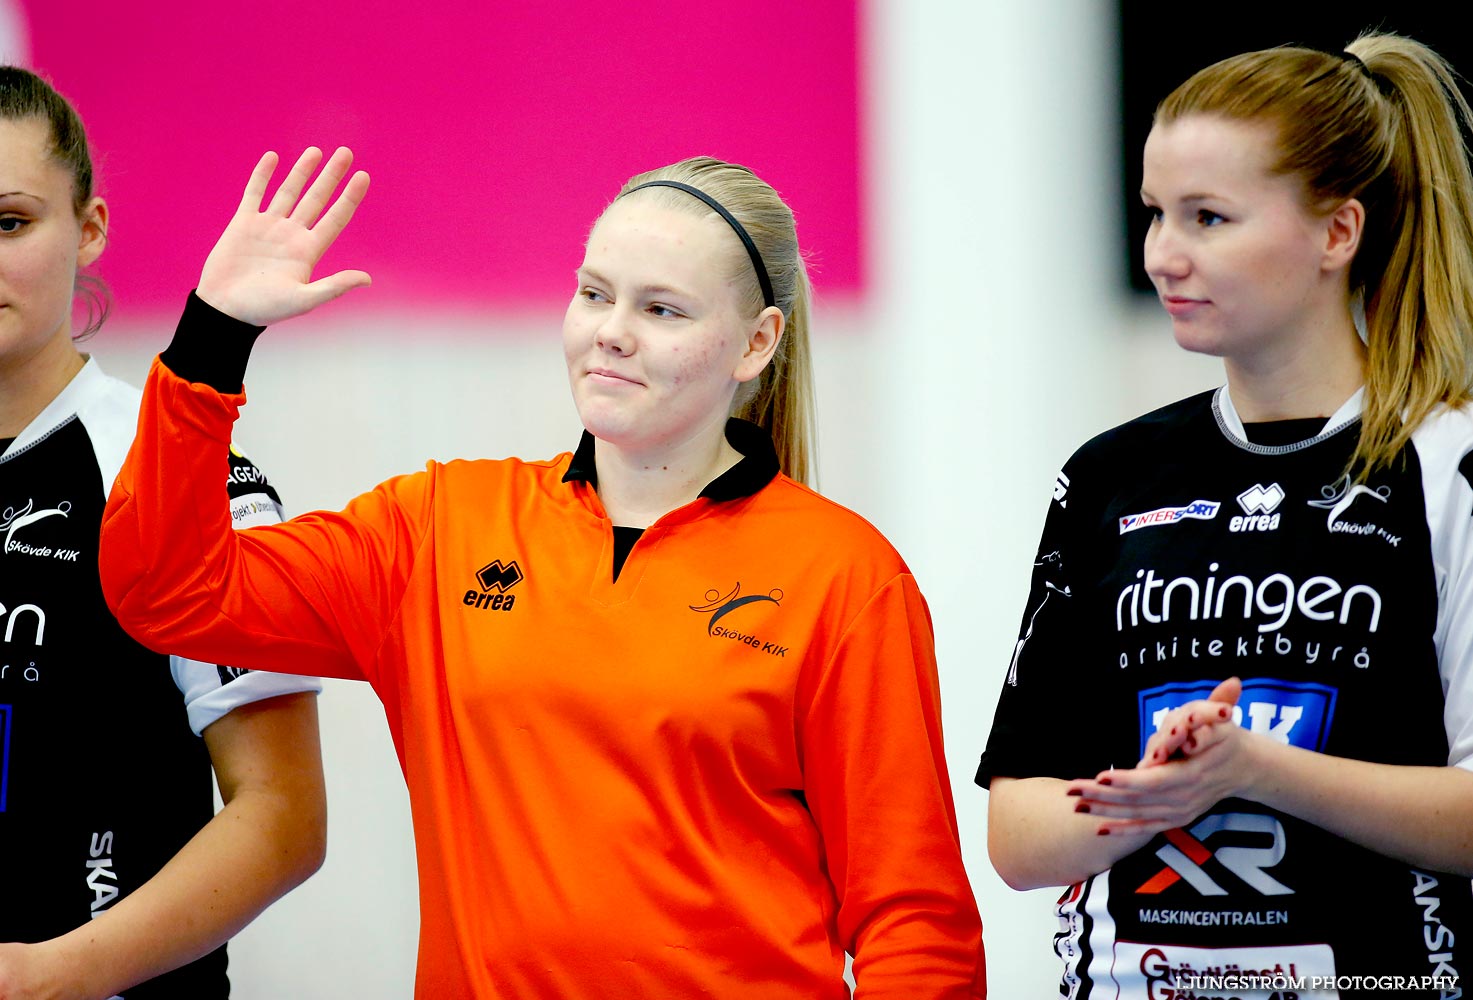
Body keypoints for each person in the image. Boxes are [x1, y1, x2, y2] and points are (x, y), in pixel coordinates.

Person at [96, 148, 986, 997]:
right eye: (594, 293)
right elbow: (166, 594)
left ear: (756, 343)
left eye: (661, 310)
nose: (611, 334)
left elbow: (914, 919)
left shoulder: (845, 576)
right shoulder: (438, 529)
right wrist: (213, 338)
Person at [978, 32, 1473, 996]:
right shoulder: (1108, 476)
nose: (1165, 253)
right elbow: (1017, 839)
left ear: (1337, 233)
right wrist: (1156, 796)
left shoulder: (1447, 464)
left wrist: (1258, 769)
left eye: (1208, 218)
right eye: (1156, 213)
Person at [0, 67, 326, 999]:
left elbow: (282, 816)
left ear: (89, 229)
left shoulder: (187, 478)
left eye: (10, 222)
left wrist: (51, 975)